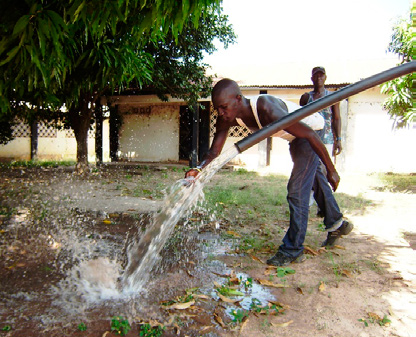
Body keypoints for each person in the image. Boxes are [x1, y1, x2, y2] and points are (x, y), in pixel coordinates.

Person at [186, 78, 353, 266]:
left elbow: (309, 134)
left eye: (224, 107)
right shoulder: (227, 117)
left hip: (312, 131)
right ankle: (337, 223)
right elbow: (213, 152)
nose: (220, 113)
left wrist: (332, 170)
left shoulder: (266, 107)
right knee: (311, 178)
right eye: (217, 108)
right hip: (294, 138)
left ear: (238, 99)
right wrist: (198, 169)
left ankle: (293, 250)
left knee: (297, 189)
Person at [300, 66, 342, 215]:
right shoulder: (306, 97)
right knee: (311, 169)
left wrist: (339, 139)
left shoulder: (332, 97)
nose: (318, 78)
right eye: (316, 76)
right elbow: (300, 119)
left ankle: (323, 206)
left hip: (327, 139)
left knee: (324, 170)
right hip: (310, 139)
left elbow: (336, 118)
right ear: (312, 78)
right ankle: (310, 200)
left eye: (321, 76)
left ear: (325, 78)